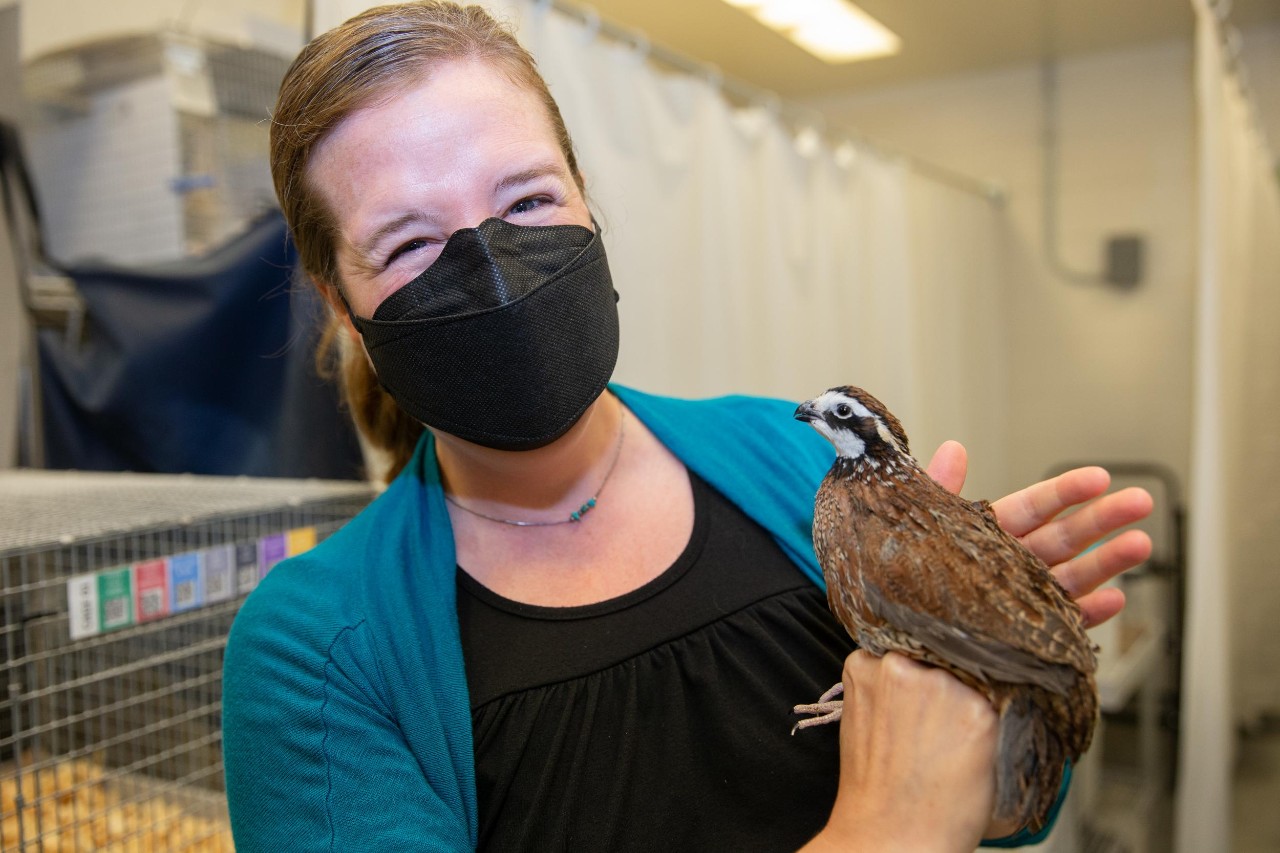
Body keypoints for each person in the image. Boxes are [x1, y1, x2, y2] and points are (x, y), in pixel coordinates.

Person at [221, 3, 1154, 851]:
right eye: (412, 243)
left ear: (589, 204)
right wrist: (890, 826)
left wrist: (995, 698)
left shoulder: (796, 465)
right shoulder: (316, 652)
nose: (492, 267)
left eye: (528, 201)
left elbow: (1011, 814)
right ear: (342, 307)